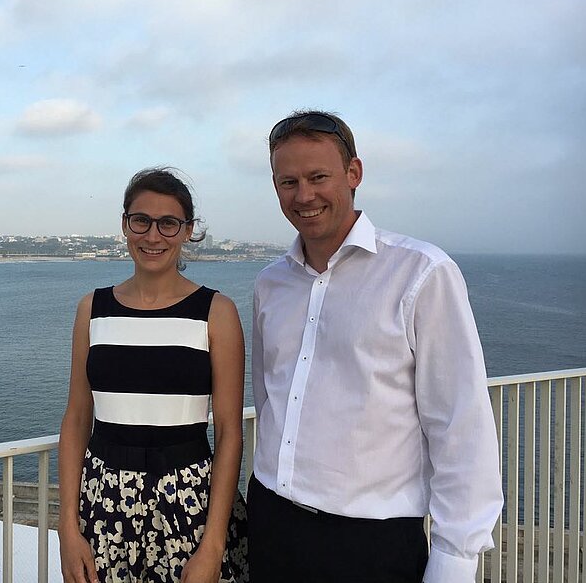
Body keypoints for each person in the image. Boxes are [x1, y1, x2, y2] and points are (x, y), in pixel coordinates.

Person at [248, 111, 503, 583]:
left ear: (353, 173)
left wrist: (454, 561)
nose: (303, 195)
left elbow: (459, 422)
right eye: (288, 181)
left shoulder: (421, 273)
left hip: (372, 542)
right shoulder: (270, 284)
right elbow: (269, 396)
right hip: (271, 521)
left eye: (318, 176)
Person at [58, 167, 248, 583]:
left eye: (168, 223)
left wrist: (213, 544)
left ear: (187, 231)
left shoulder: (217, 313)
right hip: (103, 502)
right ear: (125, 225)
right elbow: (75, 420)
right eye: (140, 221)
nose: (152, 236)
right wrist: (67, 529)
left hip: (190, 506)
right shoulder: (92, 309)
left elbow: (230, 434)